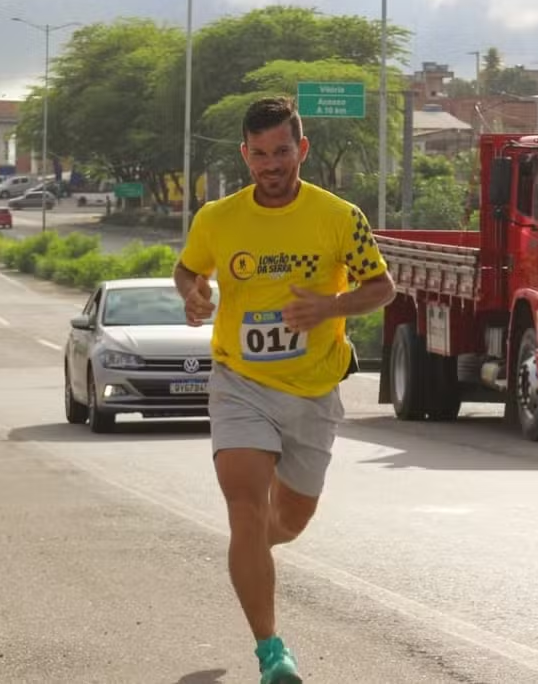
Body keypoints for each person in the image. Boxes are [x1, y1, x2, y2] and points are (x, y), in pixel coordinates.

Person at [174, 95, 396, 683]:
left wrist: (330, 305)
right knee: (244, 511)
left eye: (282, 152)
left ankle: (253, 558)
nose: (271, 165)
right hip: (240, 384)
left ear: (302, 149)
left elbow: (382, 288)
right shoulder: (217, 219)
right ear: (245, 156)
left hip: (313, 392)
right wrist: (192, 292)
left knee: (287, 524)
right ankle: (272, 654)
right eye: (259, 155)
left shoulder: (338, 216)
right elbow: (189, 268)